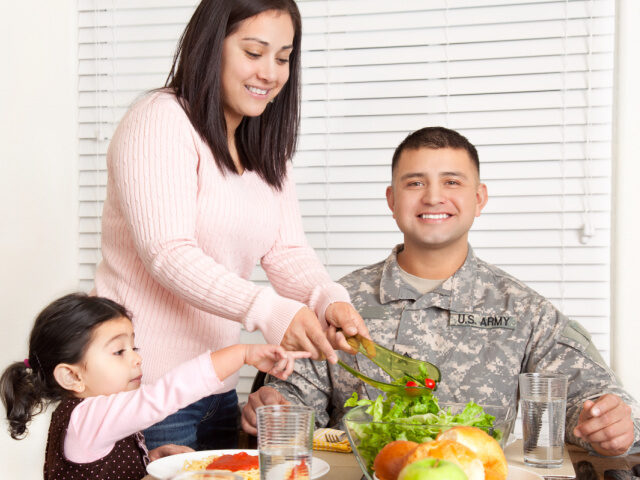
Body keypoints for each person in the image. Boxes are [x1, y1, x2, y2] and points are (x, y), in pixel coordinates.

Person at [242, 126, 640, 457]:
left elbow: (593, 403)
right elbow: (290, 400)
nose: (433, 196)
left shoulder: (524, 310)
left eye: (452, 182)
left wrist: (607, 423)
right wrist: (273, 408)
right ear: (392, 201)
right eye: (415, 183)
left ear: (478, 199)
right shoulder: (335, 302)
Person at [92, 0, 368, 450]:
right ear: (210, 47)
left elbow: (287, 252)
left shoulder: (265, 149)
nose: (271, 73)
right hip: (145, 389)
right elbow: (167, 252)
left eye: (283, 58)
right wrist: (270, 311)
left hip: (216, 387)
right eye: (254, 52)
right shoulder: (160, 120)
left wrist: (327, 302)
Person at [0, 293, 309, 479]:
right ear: (71, 377)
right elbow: (162, 396)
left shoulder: (94, 417)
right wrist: (240, 354)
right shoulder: (87, 417)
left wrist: (148, 459)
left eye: (134, 348)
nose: (136, 359)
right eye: (119, 351)